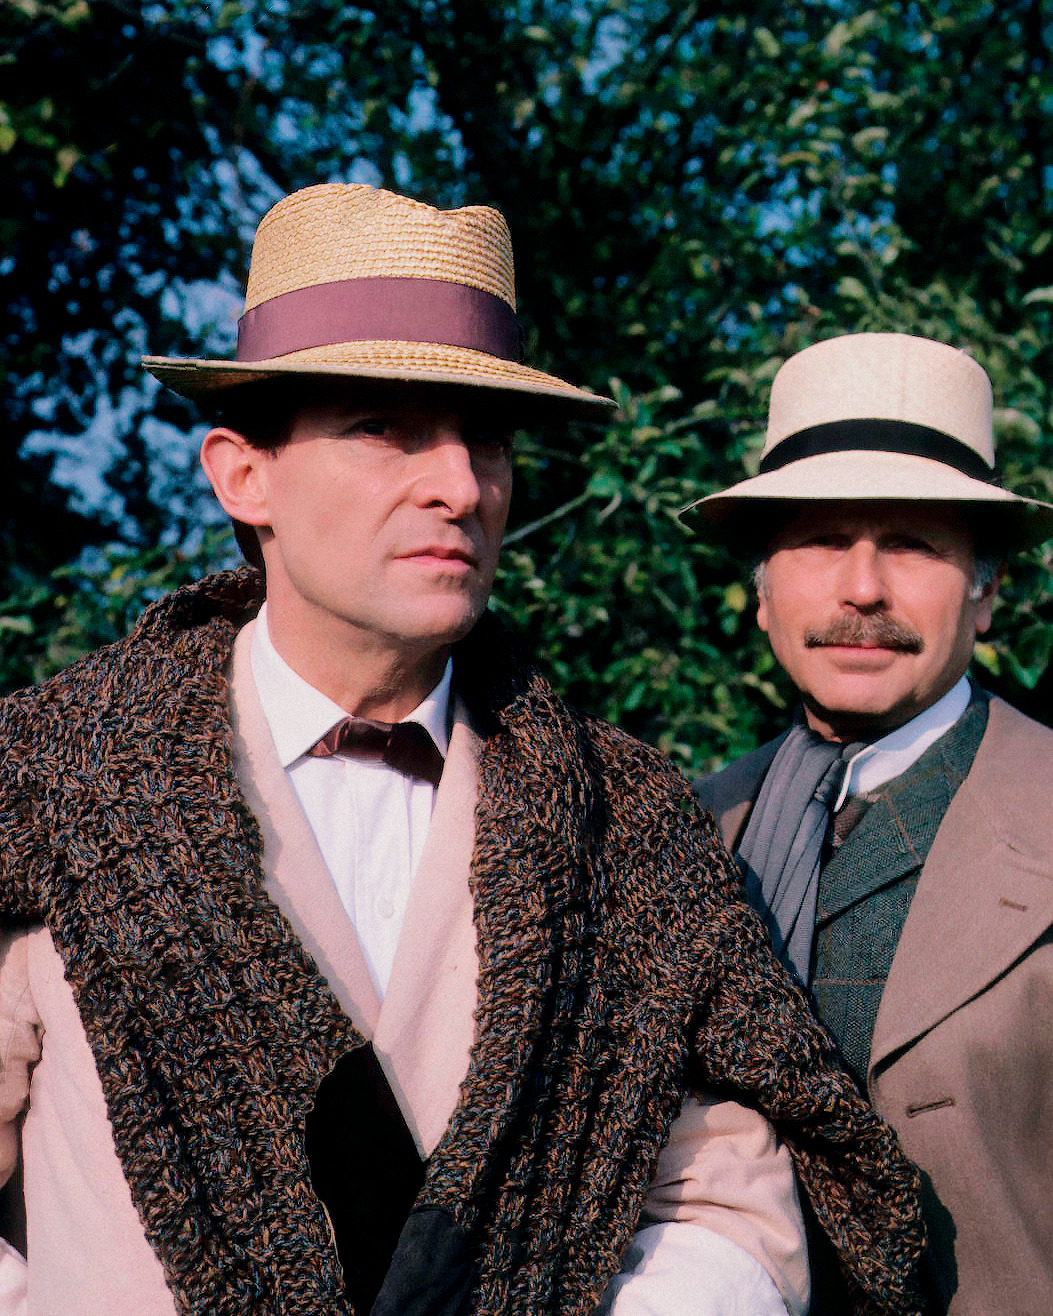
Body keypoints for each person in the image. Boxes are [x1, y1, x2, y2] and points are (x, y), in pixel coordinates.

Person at [0, 187, 923, 1316]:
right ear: (244, 474)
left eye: (485, 438)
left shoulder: (625, 826)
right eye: (383, 427)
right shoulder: (50, 783)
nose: (459, 485)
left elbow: (724, 1201)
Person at [687, 331, 1053, 1315]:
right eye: (818, 540)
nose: (861, 588)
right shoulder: (681, 830)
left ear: (985, 591)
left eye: (912, 543)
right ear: (762, 593)